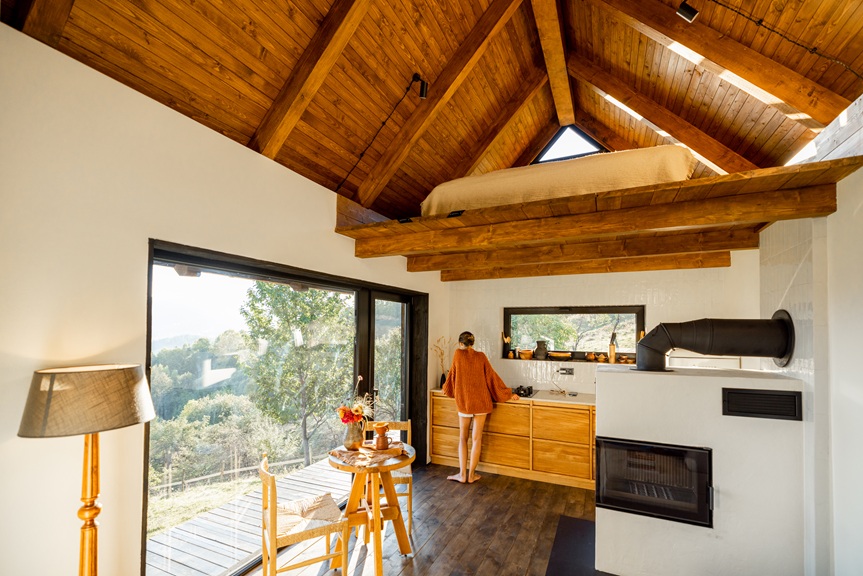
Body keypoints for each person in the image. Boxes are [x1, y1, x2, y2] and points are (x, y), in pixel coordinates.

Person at [442, 331, 519, 483]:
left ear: (460, 343)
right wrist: (508, 393)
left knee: (463, 438)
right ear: (473, 343)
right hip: (482, 402)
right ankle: (471, 476)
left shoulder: (458, 354)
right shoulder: (481, 356)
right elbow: (492, 377)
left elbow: (452, 375)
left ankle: (462, 475)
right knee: (477, 439)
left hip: (465, 403)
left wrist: (446, 389)